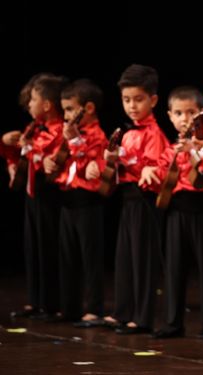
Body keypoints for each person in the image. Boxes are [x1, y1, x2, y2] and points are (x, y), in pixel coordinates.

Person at [149, 86, 203, 339]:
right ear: (170, 116)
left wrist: (193, 151)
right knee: (173, 268)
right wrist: (148, 173)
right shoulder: (172, 148)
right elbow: (162, 177)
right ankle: (173, 323)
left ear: (201, 114)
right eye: (179, 114)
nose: (184, 119)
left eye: (190, 112)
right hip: (176, 212)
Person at [103, 64, 170, 334]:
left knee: (142, 259)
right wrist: (110, 161)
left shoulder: (154, 134)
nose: (131, 105)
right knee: (125, 258)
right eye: (126, 100)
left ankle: (141, 317)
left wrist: (128, 162)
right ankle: (123, 311)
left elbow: (154, 170)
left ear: (153, 100)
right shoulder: (128, 133)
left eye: (138, 99)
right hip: (128, 200)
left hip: (144, 201)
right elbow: (124, 166)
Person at [8, 73, 66, 320]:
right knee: (33, 247)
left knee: (49, 247)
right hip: (32, 195)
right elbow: (21, 158)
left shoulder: (59, 130)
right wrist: (13, 160)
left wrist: (31, 152)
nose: (28, 105)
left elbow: (50, 161)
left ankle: (51, 303)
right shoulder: (33, 128)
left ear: (47, 105)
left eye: (32, 100)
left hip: (49, 195)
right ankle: (35, 300)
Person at [51, 79, 108, 327]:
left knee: (90, 257)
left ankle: (93, 308)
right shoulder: (69, 133)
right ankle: (70, 307)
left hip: (88, 202)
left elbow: (89, 168)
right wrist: (50, 163)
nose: (66, 115)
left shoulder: (97, 135)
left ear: (89, 108)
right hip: (68, 200)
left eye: (70, 109)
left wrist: (75, 141)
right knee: (67, 256)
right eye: (64, 110)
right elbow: (61, 161)